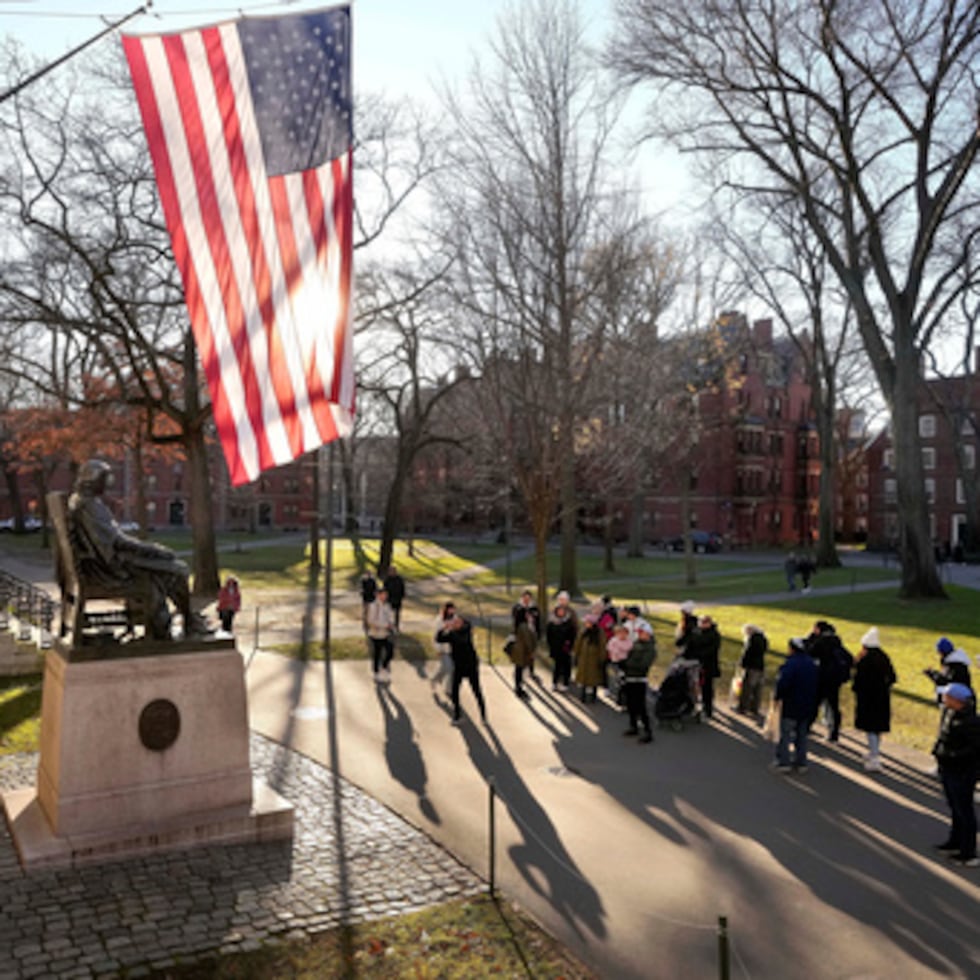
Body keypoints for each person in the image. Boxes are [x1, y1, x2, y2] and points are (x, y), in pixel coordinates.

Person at [66, 458, 199, 640]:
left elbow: (113, 539)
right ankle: (181, 625)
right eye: (104, 478)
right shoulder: (90, 505)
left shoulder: (79, 501)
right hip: (111, 567)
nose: (108, 483)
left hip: (101, 564)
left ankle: (171, 625)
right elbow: (118, 542)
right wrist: (154, 550)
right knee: (176, 570)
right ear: (92, 479)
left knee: (168, 569)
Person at [931, 682, 980, 868]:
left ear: (957, 701)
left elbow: (975, 750)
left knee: (964, 811)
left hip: (962, 772)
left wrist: (952, 756)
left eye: (947, 696)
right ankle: (955, 842)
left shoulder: (972, 723)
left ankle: (968, 852)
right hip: (948, 769)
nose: (944, 698)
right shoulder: (951, 714)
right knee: (955, 808)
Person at [770, 637, 820, 773]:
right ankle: (801, 762)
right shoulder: (812, 664)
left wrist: (777, 696)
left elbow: (783, 683)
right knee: (801, 734)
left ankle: (783, 761)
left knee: (785, 733)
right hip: (807, 704)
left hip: (791, 703)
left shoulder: (790, 664)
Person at [852, 626, 897, 772]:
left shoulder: (864, 661)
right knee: (877, 727)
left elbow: (858, 680)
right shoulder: (884, 657)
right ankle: (873, 751)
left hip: (867, 699)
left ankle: (875, 757)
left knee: (870, 727)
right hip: (882, 697)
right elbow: (893, 677)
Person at [436, 611, 487, 727]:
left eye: (457, 621)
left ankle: (483, 714)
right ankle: (457, 715)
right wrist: (443, 628)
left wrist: (453, 629)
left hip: (471, 666)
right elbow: (439, 639)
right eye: (454, 621)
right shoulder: (452, 633)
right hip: (459, 666)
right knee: (455, 691)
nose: (455, 623)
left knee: (476, 691)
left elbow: (461, 639)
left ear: (462, 623)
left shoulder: (466, 631)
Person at [805, 620, 853, 741]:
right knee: (833, 706)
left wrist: (811, 638)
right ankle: (834, 733)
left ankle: (806, 728)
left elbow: (809, 652)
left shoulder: (820, 642)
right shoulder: (837, 642)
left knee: (815, 704)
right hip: (835, 680)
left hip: (822, 677)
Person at [622, 620, 657, 743]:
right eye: (639, 632)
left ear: (648, 634)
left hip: (639, 679)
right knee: (630, 704)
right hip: (629, 677)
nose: (640, 635)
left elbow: (643, 664)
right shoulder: (636, 644)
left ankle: (648, 731)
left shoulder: (650, 649)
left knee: (640, 706)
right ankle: (633, 726)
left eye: (642, 633)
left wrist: (628, 664)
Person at [686, 614, 721, 719]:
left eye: (705, 623)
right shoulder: (696, 632)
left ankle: (708, 709)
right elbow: (690, 644)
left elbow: (712, 650)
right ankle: (692, 706)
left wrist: (698, 655)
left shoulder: (714, 635)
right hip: (694, 663)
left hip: (707, 665)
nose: (702, 625)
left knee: (707, 688)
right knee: (692, 686)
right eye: (701, 622)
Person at [365, 586, 397, 682]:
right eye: (383, 594)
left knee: (390, 651)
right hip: (376, 634)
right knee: (377, 654)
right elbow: (371, 621)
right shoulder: (373, 606)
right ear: (378, 595)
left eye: (385, 594)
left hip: (386, 634)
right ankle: (376, 672)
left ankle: (383, 668)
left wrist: (391, 624)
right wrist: (385, 625)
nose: (385, 596)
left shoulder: (387, 605)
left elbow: (390, 617)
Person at [574, 613, 607, 703]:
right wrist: (576, 655)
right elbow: (578, 644)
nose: (586, 624)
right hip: (584, 659)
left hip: (594, 659)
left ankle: (593, 696)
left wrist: (602, 659)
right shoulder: (583, 632)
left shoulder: (599, 633)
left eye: (588, 622)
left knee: (594, 679)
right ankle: (583, 695)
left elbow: (602, 646)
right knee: (583, 679)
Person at [737, 624, 768, 719]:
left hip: (751, 666)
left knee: (747, 687)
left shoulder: (752, 639)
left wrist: (741, 663)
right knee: (757, 688)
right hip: (760, 666)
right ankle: (754, 707)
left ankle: (743, 707)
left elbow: (747, 652)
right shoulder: (763, 639)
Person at [546, 603, 578, 691]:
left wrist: (569, 644)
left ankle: (565, 683)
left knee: (566, 666)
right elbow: (549, 635)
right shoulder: (552, 623)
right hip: (556, 648)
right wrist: (551, 646)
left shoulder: (568, 622)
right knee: (557, 666)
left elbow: (573, 635)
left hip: (565, 648)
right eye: (559, 611)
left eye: (562, 611)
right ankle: (554, 683)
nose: (561, 612)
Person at [508, 614, 538, 700]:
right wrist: (531, 651)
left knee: (519, 669)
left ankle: (518, 687)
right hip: (522, 652)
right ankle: (518, 689)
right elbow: (528, 640)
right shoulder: (524, 626)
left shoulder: (520, 625)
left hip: (519, 651)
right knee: (520, 670)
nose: (529, 616)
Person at [430, 601, 457, 696]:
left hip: (453, 649)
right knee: (446, 668)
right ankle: (434, 679)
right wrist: (438, 649)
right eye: (450, 609)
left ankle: (448, 689)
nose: (452, 611)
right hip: (443, 649)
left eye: (453, 609)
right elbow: (436, 636)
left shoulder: (455, 618)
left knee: (452, 669)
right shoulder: (439, 620)